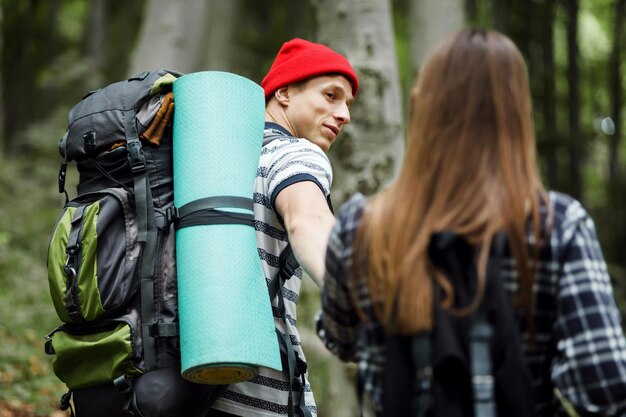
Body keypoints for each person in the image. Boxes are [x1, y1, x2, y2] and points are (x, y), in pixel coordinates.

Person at [316, 29, 626, 416]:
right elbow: (604, 384)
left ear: (423, 110)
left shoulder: (361, 227)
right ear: (516, 115)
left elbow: (339, 336)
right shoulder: (557, 226)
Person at [208, 38, 358, 417]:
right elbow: (308, 221)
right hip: (258, 397)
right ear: (285, 93)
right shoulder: (297, 154)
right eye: (330, 95)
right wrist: (364, 302)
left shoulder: (216, 159)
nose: (344, 114)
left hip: (179, 389)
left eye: (347, 104)